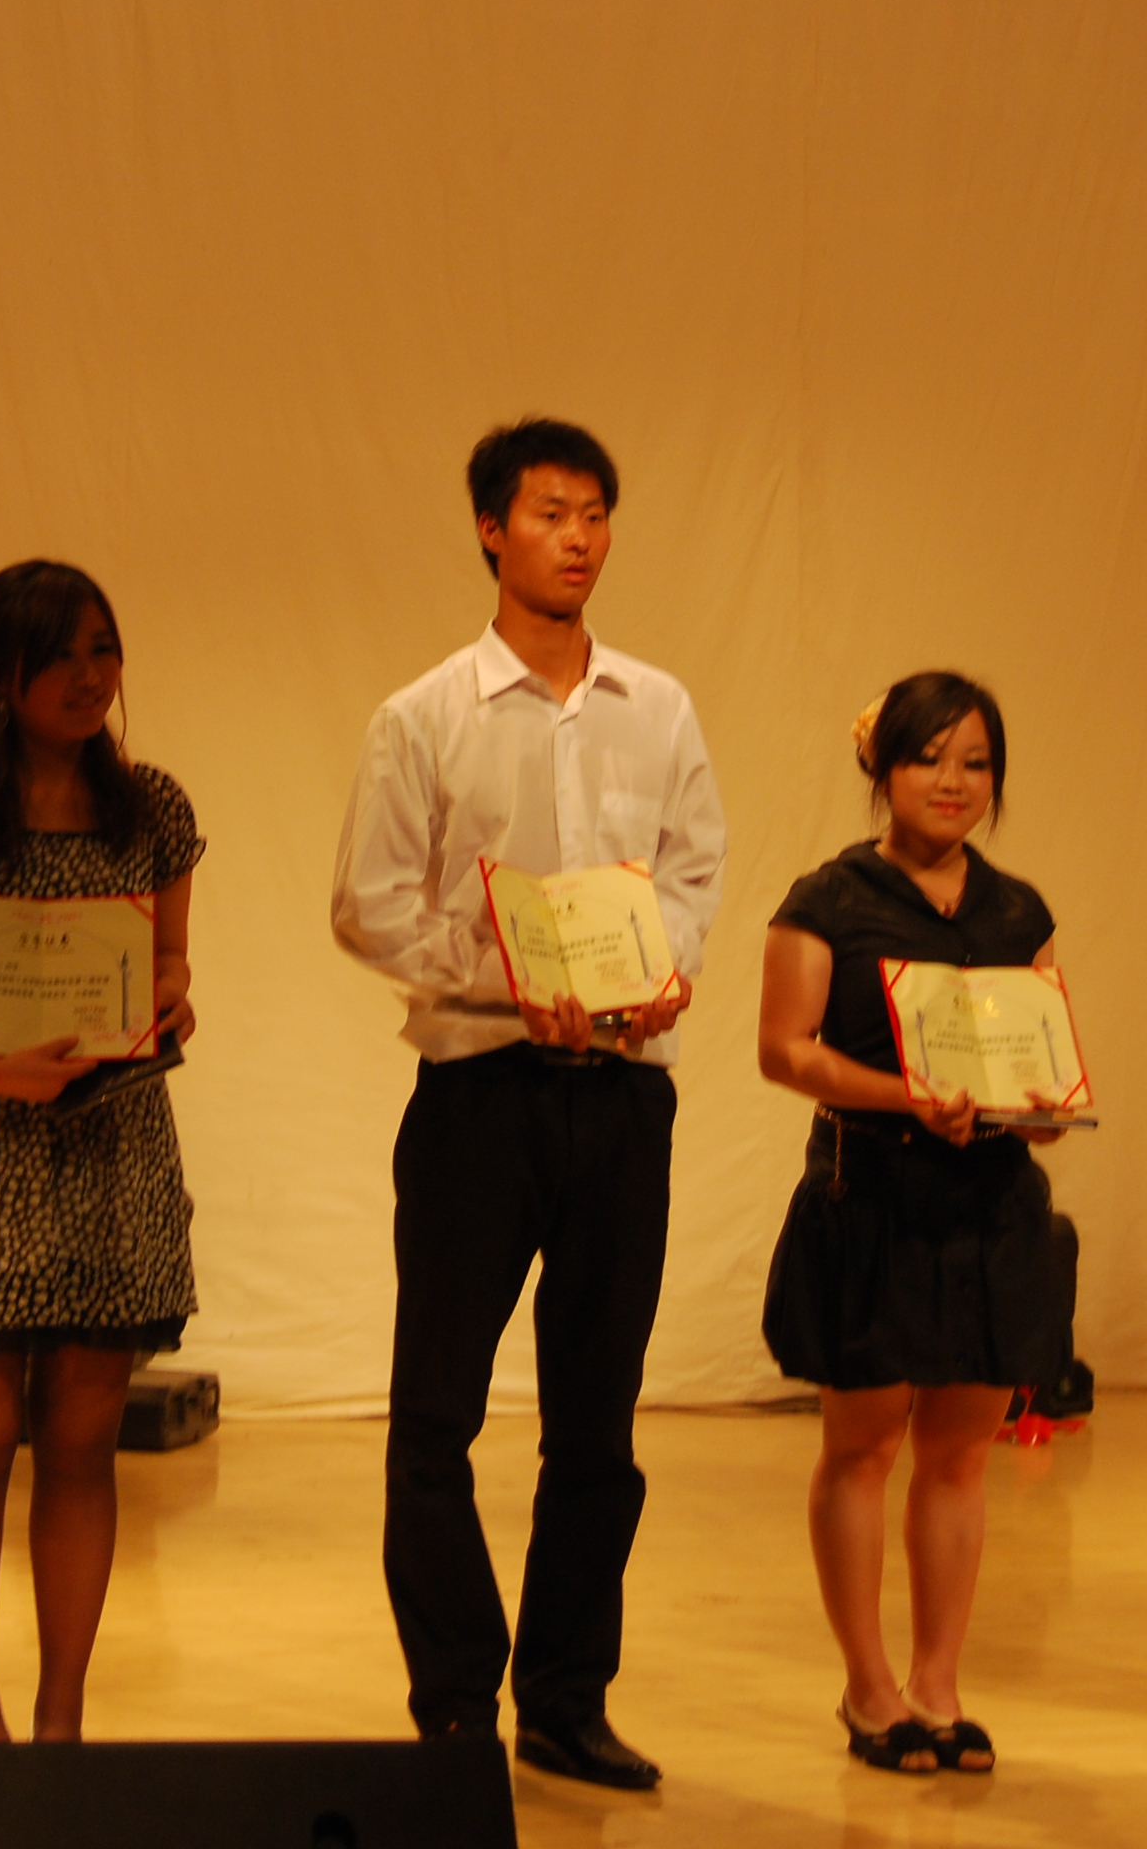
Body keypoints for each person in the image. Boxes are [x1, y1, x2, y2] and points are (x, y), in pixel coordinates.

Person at [328, 418, 722, 1792]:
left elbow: (692, 871)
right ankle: (453, 1704)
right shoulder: (425, 713)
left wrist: (653, 973)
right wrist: (506, 977)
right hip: (479, 1092)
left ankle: (565, 1697)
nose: (577, 537)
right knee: (435, 1415)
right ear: (491, 530)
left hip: (620, 1097)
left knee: (597, 1426)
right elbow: (367, 903)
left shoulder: (657, 706)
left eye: (595, 513)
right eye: (550, 512)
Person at [0, 560, 204, 1744]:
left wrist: (166, 997)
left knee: (79, 1448)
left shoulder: (150, 808)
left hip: (111, 1149)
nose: (87, 675)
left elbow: (167, 959)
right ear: (1, 672)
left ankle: (63, 1720)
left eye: (102, 649)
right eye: (60, 654)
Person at [755, 673, 1077, 1776]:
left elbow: (1046, 1054)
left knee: (959, 1457)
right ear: (882, 769)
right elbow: (782, 1049)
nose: (953, 782)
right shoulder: (828, 900)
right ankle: (869, 1688)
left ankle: (938, 1685)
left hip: (991, 1206)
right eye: (928, 758)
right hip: (872, 1198)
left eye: (975, 763)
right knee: (862, 1448)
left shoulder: (1017, 912)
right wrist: (907, 1098)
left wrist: (1045, 1107)